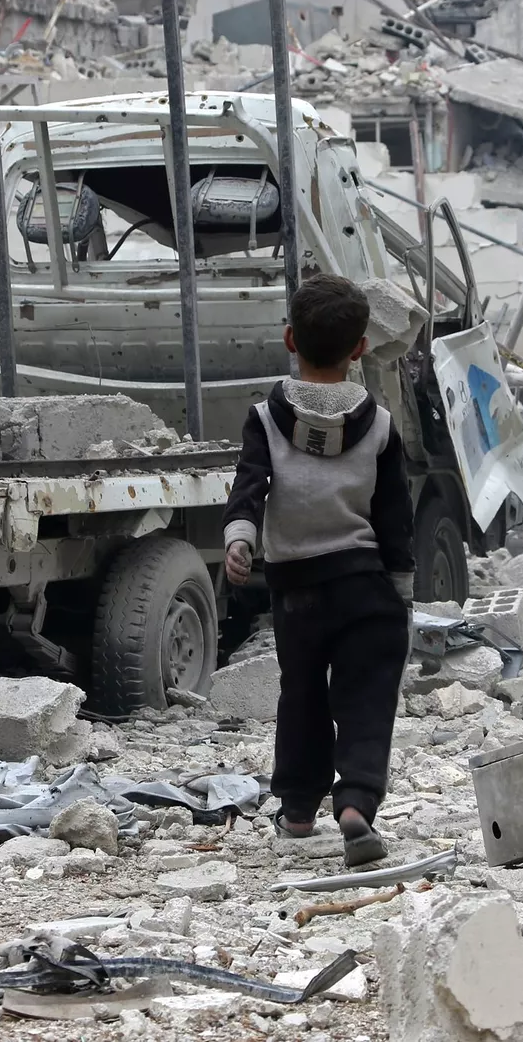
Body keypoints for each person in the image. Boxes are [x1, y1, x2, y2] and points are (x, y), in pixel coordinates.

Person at [222, 272, 414, 867]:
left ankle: (300, 809)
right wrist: (402, 589)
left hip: (296, 590)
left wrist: (240, 539)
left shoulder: (265, 418)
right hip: (363, 583)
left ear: (289, 339)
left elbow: (249, 486)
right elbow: (395, 514)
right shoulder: (379, 426)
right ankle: (355, 802)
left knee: (301, 694)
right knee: (367, 693)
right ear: (360, 349)